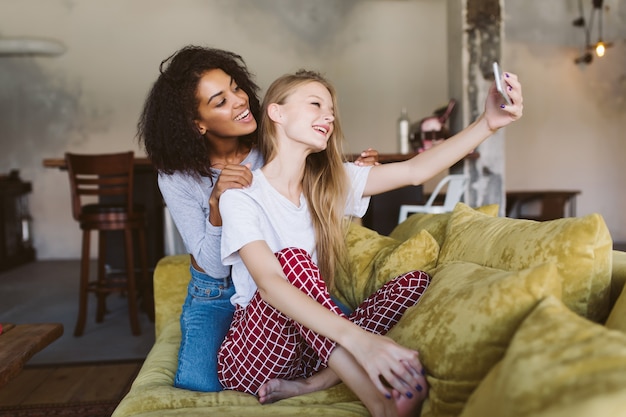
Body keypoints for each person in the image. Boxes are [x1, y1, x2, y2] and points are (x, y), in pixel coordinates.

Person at [217, 70, 523, 416]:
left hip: (311, 353)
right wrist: (361, 341)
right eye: (316, 104)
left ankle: (313, 383)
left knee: (414, 282)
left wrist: (488, 123)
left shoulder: (330, 182)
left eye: (331, 109)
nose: (329, 116)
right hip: (254, 356)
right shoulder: (241, 195)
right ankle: (382, 405)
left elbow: (415, 171)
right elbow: (270, 284)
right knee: (292, 261)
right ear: (277, 113)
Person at [137, 45, 380, 393]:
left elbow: (314, 193)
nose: (239, 101)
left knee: (361, 326)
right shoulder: (176, 177)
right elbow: (215, 266)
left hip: (278, 283)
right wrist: (217, 201)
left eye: (236, 87)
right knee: (198, 382)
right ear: (197, 124)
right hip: (217, 293)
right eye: (220, 101)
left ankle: (310, 380)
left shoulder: (271, 148)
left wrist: (353, 175)